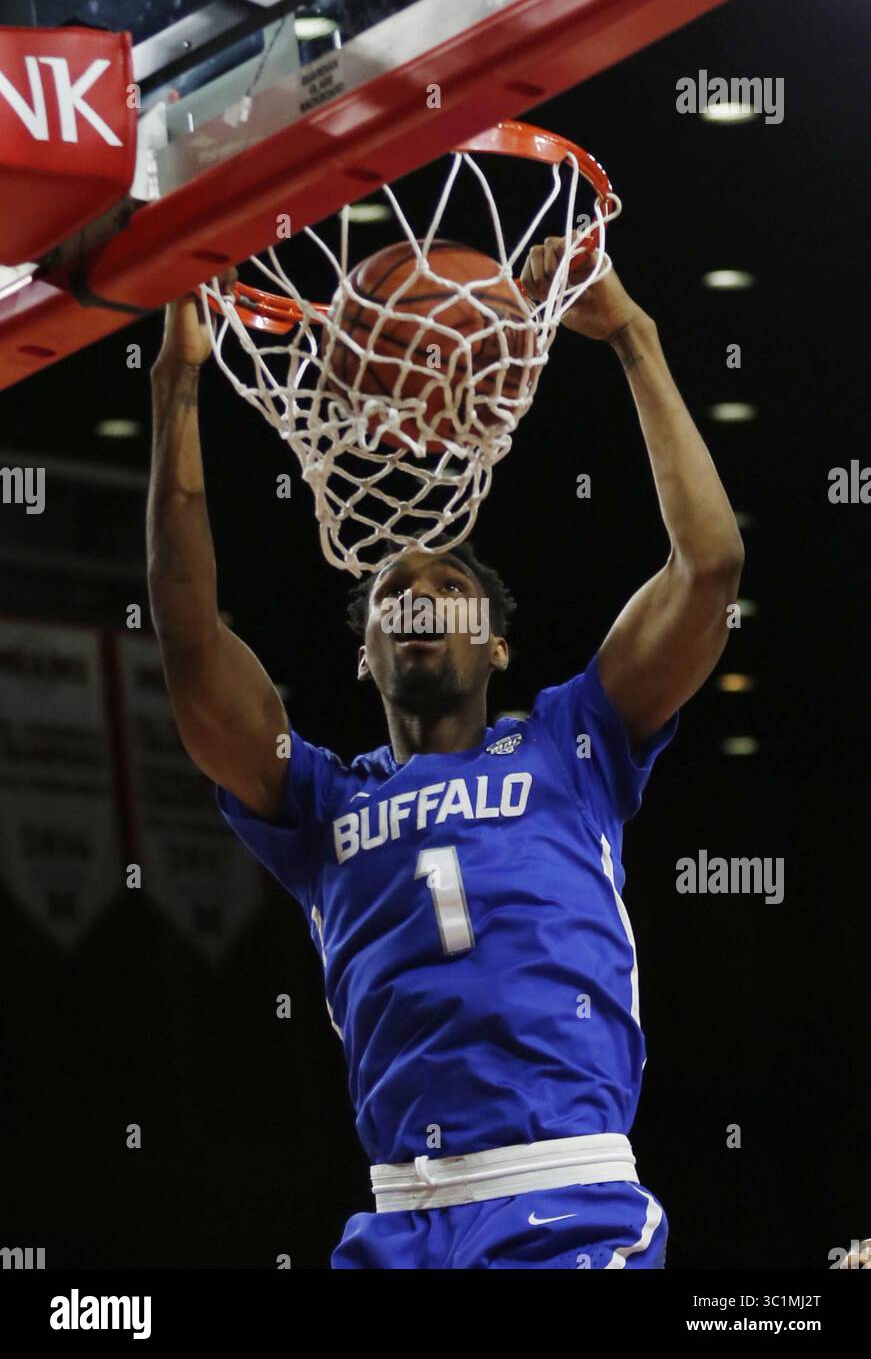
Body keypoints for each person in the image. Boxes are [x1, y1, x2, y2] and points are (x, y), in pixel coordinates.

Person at [147, 244, 744, 1269]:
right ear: (365, 652)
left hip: (564, 1193)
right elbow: (191, 640)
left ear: (496, 642)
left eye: (447, 588)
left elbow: (708, 568)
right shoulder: (314, 797)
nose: (419, 599)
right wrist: (177, 386)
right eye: (394, 597)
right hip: (396, 1223)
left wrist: (636, 339)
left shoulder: (573, 742)